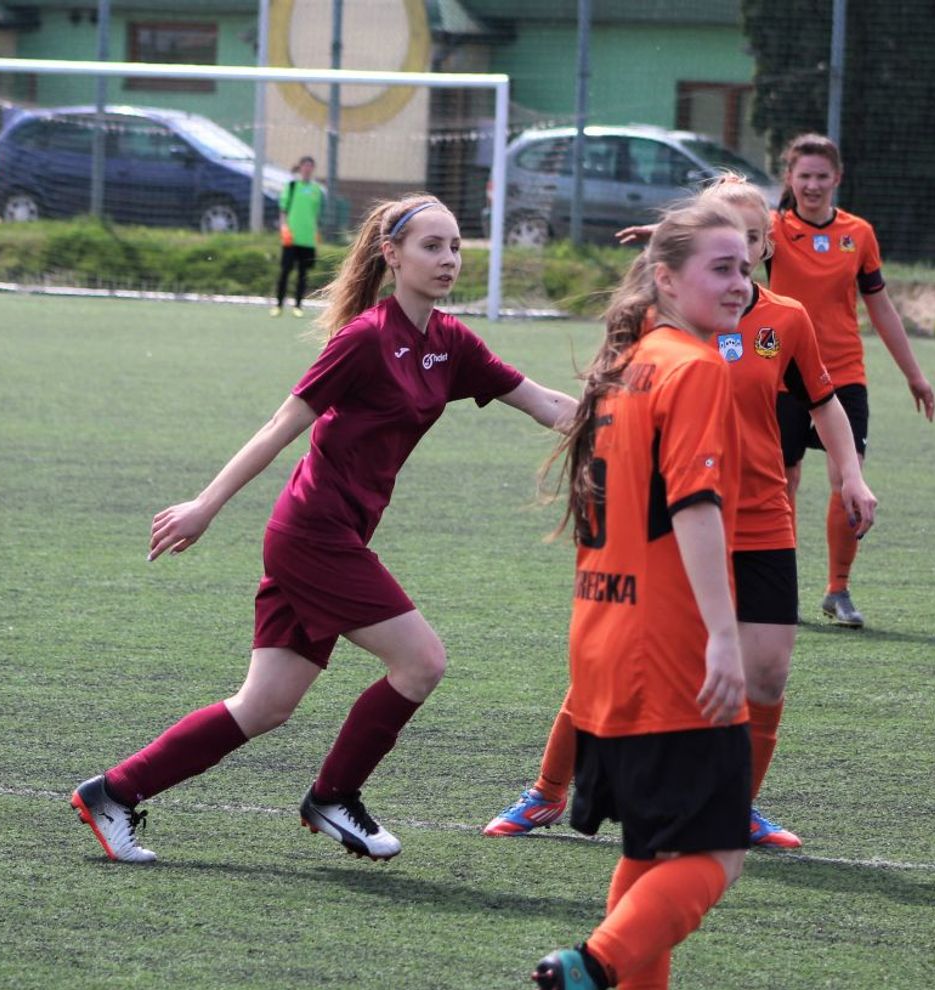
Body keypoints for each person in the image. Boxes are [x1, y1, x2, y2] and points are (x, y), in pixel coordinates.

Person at [70, 194, 577, 864]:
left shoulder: (450, 343)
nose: (449, 259)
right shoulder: (366, 338)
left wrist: (637, 421)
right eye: (432, 246)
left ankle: (112, 792)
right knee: (422, 661)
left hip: (334, 536)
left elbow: (546, 404)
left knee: (264, 705)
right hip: (314, 535)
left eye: (456, 246)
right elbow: (281, 426)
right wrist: (205, 504)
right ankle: (334, 796)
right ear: (391, 255)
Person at [485, 177, 878, 854]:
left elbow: (824, 401)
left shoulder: (786, 320)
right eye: (725, 250)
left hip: (760, 516)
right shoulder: (661, 325)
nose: (741, 264)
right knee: (619, 665)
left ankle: (735, 806)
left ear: (767, 245)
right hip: (673, 522)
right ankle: (548, 790)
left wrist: (852, 474)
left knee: (766, 675)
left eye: (751, 244)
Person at [529, 200, 753, 990]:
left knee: (653, 847)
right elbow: (694, 506)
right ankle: (588, 967)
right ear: (665, 278)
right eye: (721, 267)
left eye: (746, 266)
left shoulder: (626, 363)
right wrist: (723, 636)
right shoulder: (694, 368)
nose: (740, 283)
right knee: (718, 852)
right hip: (668, 650)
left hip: (602, 640)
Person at [767, 132, 933, 628]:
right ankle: (779, 589)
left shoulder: (858, 233)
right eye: (804, 176)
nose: (812, 185)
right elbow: (717, 239)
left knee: (847, 480)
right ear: (790, 178)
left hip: (843, 376)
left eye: (822, 176)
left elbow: (880, 308)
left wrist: (914, 375)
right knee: (783, 481)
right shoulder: (772, 229)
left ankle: (837, 589)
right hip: (782, 374)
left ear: (837, 178)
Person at [271, 156, 323, 318]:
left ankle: (298, 306)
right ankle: (279, 305)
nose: (307, 168)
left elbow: (315, 214)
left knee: (303, 274)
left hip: (307, 239)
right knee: (285, 271)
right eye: (305, 165)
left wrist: (315, 233)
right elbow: (283, 209)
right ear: (300, 167)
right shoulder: (292, 186)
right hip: (291, 238)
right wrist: (284, 227)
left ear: (313, 169)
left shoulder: (316, 190)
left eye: (310, 166)